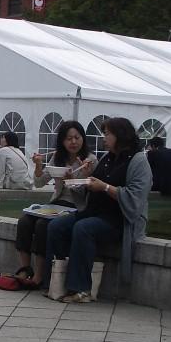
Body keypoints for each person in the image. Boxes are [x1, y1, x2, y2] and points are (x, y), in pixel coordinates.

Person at [45, 117, 152, 303]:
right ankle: (56, 281)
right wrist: (84, 178)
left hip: (118, 219)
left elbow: (135, 198)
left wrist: (105, 187)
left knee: (84, 228)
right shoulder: (107, 158)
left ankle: (81, 289)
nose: (104, 138)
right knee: (56, 226)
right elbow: (93, 186)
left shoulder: (138, 161)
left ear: (120, 135)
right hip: (95, 212)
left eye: (107, 134)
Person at [13, 121, 92, 286]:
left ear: (83, 139)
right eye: (68, 138)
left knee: (42, 225)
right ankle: (25, 268)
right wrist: (38, 166)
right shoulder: (58, 157)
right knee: (25, 221)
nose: (73, 142)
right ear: (62, 141)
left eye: (77, 137)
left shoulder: (89, 160)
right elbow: (39, 182)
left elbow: (88, 192)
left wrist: (73, 181)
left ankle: (39, 276)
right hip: (57, 203)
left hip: (77, 206)